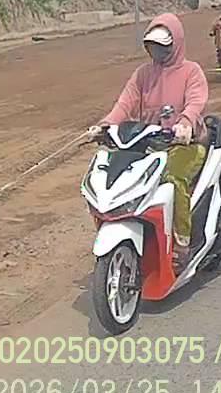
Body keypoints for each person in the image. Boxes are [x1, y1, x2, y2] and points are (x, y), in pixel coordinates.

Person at [87, 13, 208, 271]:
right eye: (152, 46)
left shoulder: (191, 71)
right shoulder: (143, 74)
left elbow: (195, 101)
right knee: (117, 177)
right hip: (147, 144)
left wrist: (185, 123)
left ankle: (182, 243)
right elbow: (125, 103)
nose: (157, 52)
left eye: (163, 46)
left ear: (176, 43)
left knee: (172, 179)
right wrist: (106, 125)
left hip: (184, 145)